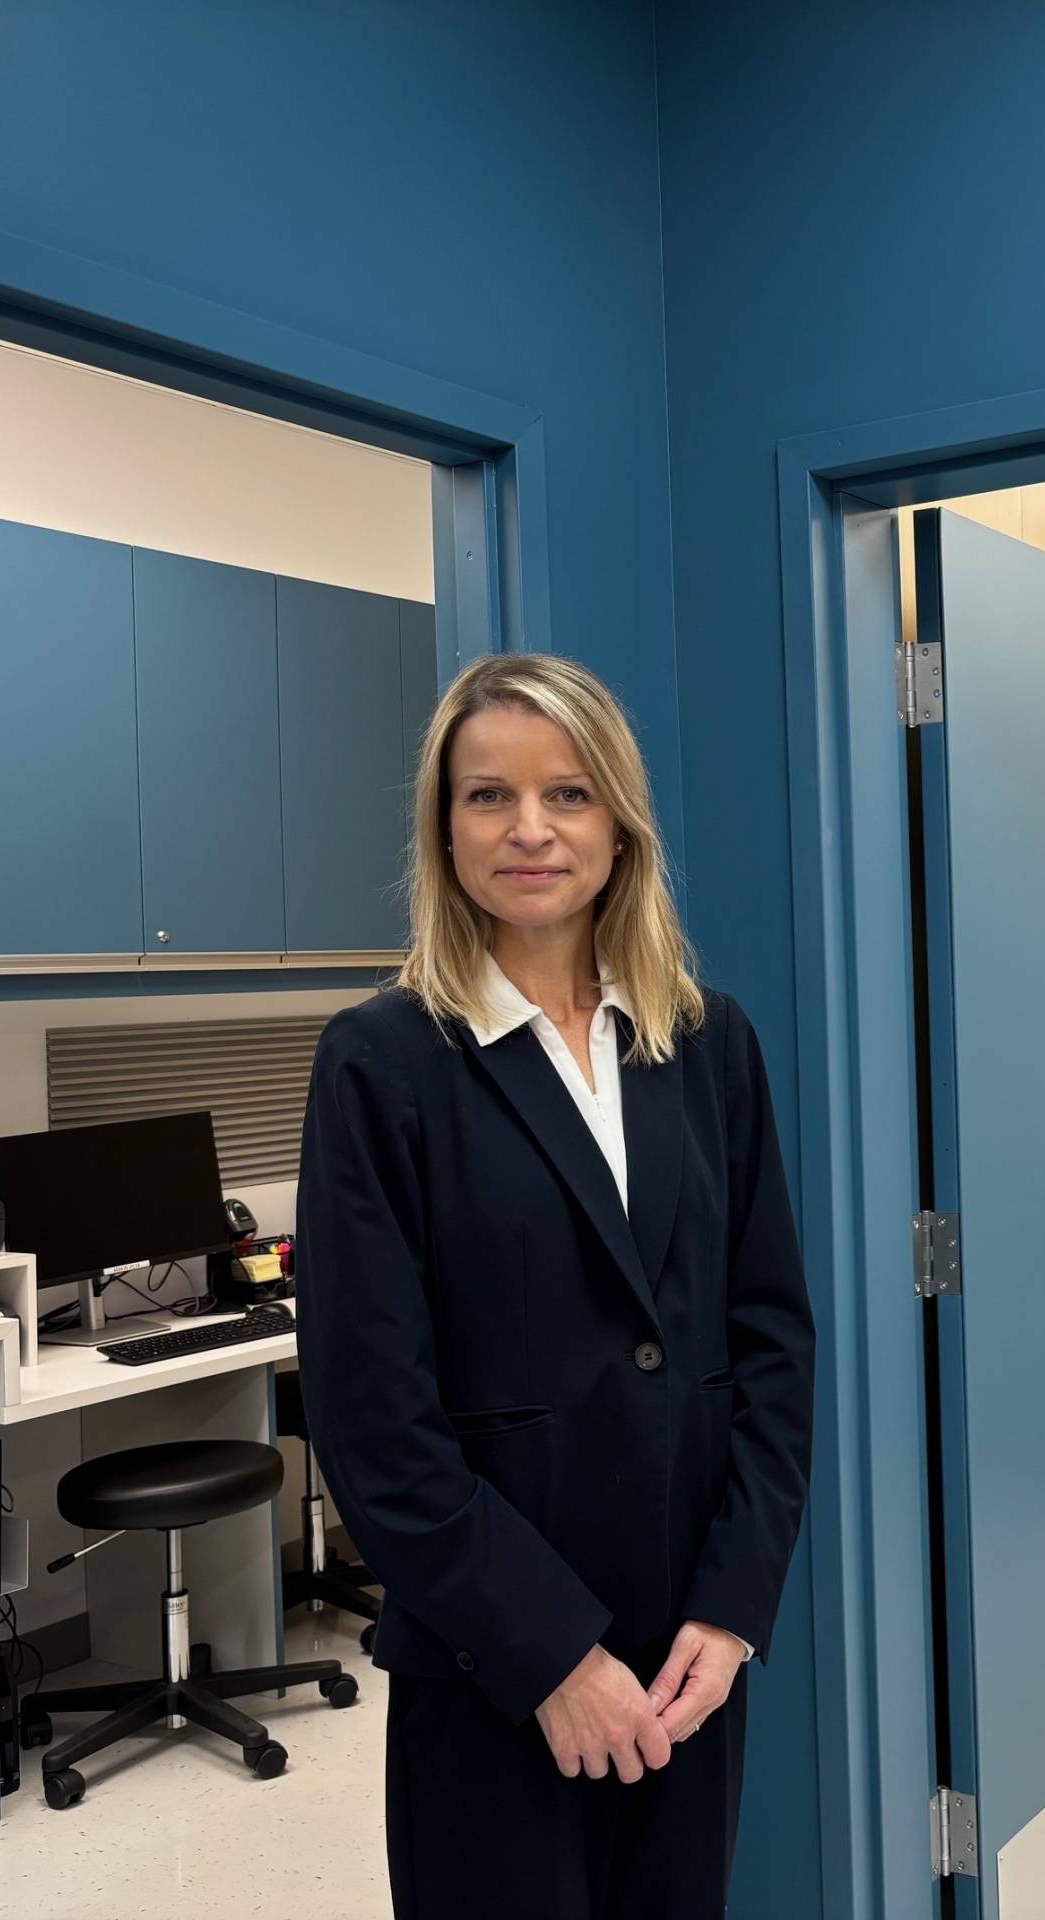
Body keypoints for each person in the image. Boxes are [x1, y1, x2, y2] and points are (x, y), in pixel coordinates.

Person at [294, 651, 816, 1919]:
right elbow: (372, 1419)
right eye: (488, 797)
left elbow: (771, 1345)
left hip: (688, 1657)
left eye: (567, 794)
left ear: (618, 823)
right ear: (444, 827)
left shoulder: (704, 1040)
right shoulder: (383, 1064)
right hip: (493, 1668)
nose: (529, 830)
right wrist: (547, 1655)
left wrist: (733, 1610)